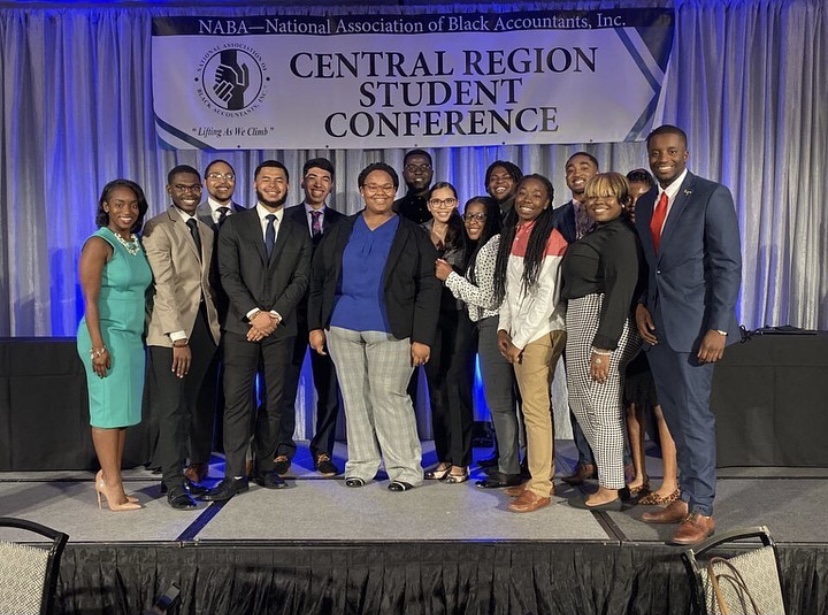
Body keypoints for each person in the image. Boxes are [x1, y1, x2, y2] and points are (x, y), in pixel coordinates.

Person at [635, 125, 742, 545]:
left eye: (672, 150)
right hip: (658, 329)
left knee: (695, 419)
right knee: (676, 417)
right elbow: (652, 266)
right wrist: (642, 304)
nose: (663, 157)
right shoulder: (645, 204)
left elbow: (726, 265)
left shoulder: (712, 195)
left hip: (698, 330)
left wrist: (718, 326)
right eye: (656, 151)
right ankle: (684, 497)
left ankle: (702, 511)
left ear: (686, 154)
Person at [308, 162, 439, 491]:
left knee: (389, 397)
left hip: (391, 329)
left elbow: (428, 286)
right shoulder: (341, 229)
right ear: (361, 190)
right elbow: (319, 280)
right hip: (342, 327)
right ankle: (362, 465)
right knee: (354, 398)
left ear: (394, 191)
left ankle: (405, 469)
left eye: (386, 187)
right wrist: (316, 326)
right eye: (372, 186)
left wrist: (422, 338)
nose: (379, 192)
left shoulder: (412, 233)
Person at [200, 160, 312, 502]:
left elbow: (301, 279)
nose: (274, 185)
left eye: (280, 180)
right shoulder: (234, 225)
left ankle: (265, 467)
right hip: (240, 328)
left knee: (275, 403)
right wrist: (254, 314)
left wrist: (273, 315)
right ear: (254, 183)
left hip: (281, 328)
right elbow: (227, 276)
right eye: (267, 179)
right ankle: (235, 473)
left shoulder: (298, 228)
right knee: (236, 401)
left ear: (289, 187)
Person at [560, 172, 644, 510]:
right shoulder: (600, 233)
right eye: (593, 196)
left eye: (608, 195)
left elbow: (621, 289)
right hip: (582, 318)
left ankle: (611, 486)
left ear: (623, 201)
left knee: (601, 405)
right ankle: (614, 474)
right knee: (582, 404)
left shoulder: (621, 236)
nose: (599, 201)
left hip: (601, 320)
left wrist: (604, 346)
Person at [143, 165, 221, 509]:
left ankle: (186, 473)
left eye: (193, 187)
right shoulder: (158, 227)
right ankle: (173, 483)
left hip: (205, 328)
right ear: (168, 189)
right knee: (173, 409)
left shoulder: (204, 228)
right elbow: (164, 286)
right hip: (172, 334)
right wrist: (177, 337)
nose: (188, 192)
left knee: (193, 408)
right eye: (180, 187)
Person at [437, 196, 523, 489]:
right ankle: (507, 462)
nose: (473, 222)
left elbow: (489, 298)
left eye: (480, 217)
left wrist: (451, 278)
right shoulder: (485, 246)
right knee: (499, 401)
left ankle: (509, 469)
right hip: (489, 323)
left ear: (491, 219)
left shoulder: (491, 247)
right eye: (469, 216)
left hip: (493, 324)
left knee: (499, 402)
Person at [494, 174, 568, 513]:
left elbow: (545, 299)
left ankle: (540, 486)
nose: (527, 198)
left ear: (547, 202)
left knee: (535, 410)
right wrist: (503, 330)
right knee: (531, 407)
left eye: (536, 194)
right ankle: (540, 475)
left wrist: (519, 339)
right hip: (520, 334)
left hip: (541, 332)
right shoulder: (514, 234)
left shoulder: (551, 239)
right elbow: (510, 291)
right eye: (523, 192)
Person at [77, 179, 151, 512]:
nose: (127, 211)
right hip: (105, 336)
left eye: (133, 205)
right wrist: (97, 346)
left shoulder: (133, 242)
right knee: (107, 414)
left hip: (131, 339)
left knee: (121, 415)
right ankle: (112, 486)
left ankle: (111, 479)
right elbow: (90, 301)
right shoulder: (98, 243)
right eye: (119, 204)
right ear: (106, 206)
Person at [279, 158, 345, 477]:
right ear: (302, 183)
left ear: (331, 185)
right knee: (284, 386)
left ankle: (323, 451)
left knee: (329, 388)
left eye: (325, 179)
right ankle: (281, 450)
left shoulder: (343, 223)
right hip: (289, 316)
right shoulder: (285, 217)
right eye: (312, 178)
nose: (318, 184)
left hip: (329, 317)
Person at [622, 168, 680, 506]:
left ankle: (670, 480)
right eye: (628, 198)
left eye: (641, 198)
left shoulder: (658, 234)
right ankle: (640, 476)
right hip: (627, 329)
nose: (633, 204)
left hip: (657, 325)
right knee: (632, 405)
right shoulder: (622, 234)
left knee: (661, 407)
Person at [552, 151, 605, 487]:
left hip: (608, 308)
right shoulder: (557, 217)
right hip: (569, 308)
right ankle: (586, 460)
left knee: (608, 390)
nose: (576, 172)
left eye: (584, 167)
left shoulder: (612, 212)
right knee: (576, 389)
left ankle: (618, 463)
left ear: (598, 173)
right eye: (570, 168)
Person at [192, 159, 247, 483]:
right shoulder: (190, 216)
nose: (223, 181)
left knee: (241, 392)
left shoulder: (248, 217)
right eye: (216, 176)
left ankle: (242, 456)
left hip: (240, 315)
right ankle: (198, 457)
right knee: (201, 390)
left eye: (229, 176)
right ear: (205, 181)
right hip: (201, 316)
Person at [421, 182, 474, 484]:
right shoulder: (416, 232)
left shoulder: (465, 230)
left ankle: (461, 460)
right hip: (429, 319)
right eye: (437, 201)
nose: (443, 206)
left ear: (456, 202)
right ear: (429, 205)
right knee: (437, 390)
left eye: (449, 200)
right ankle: (443, 457)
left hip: (460, 315)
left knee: (457, 387)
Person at [393, 149, 434, 224]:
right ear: (403, 174)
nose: (418, 172)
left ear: (431, 173)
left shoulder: (444, 208)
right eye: (411, 168)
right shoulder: (393, 210)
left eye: (424, 167)